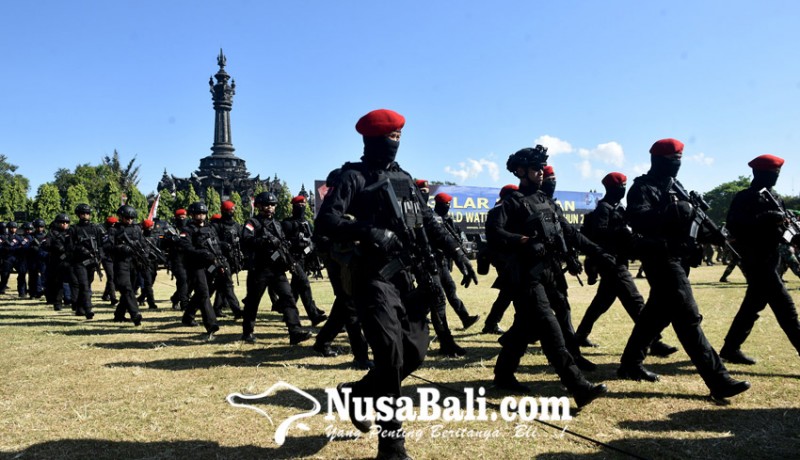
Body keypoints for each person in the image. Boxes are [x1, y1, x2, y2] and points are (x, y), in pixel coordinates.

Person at [316, 108, 478, 460]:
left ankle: (358, 394)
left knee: (415, 351)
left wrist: (458, 251)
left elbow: (429, 220)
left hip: (407, 276)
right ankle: (392, 445)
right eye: (391, 138)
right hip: (371, 277)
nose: (396, 144)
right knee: (389, 354)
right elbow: (325, 222)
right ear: (373, 139)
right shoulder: (352, 177)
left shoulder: (404, 178)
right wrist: (368, 230)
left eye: (399, 138)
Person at [617, 138, 750, 400]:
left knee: (654, 316)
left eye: (679, 160)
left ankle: (630, 363)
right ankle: (718, 379)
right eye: (671, 161)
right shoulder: (641, 188)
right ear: (657, 161)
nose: (676, 165)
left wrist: (715, 235)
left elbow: (691, 220)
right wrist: (674, 210)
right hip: (659, 258)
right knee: (688, 318)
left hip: (679, 257)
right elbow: (639, 219)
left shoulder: (677, 187)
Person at [488, 145, 608, 406]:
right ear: (521, 171)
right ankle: (578, 386)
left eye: (541, 169)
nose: (540, 173)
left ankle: (503, 375)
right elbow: (494, 232)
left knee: (524, 328)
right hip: (527, 277)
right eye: (535, 169)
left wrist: (598, 252)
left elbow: (570, 233)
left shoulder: (547, 201)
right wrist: (522, 241)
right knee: (550, 328)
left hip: (551, 273)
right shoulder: (512, 203)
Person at [575, 172, 678, 357]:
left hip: (619, 259)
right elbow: (599, 235)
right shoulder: (604, 209)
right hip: (611, 261)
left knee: (601, 302)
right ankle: (654, 341)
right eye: (620, 186)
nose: (623, 189)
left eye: (624, 185)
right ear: (611, 188)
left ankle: (580, 335)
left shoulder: (620, 207)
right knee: (635, 300)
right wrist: (620, 232)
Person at [720, 154, 800, 365]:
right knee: (787, 310)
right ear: (760, 173)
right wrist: (761, 219)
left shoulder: (776, 197)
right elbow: (733, 227)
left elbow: (783, 227)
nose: (776, 177)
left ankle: (730, 348)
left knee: (752, 307)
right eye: (773, 173)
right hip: (755, 259)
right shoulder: (745, 197)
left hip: (771, 257)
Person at [312, 168, 373, 369]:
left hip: (351, 260)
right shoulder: (331, 209)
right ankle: (360, 355)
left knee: (344, 305)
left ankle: (322, 342)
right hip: (339, 261)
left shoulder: (351, 205)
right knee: (349, 306)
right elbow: (321, 237)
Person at [241, 192, 312, 345]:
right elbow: (246, 240)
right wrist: (264, 240)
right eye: (267, 205)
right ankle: (247, 332)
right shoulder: (252, 222)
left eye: (272, 205)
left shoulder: (278, 224)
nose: (270, 208)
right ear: (259, 206)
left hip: (277, 269)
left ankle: (295, 331)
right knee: (253, 301)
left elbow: (283, 243)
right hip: (259, 269)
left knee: (288, 298)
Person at [431, 192, 481, 330]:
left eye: (449, 205)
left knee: (450, 290)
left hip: (443, 262)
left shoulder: (449, 221)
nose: (448, 207)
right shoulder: (431, 219)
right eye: (446, 204)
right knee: (436, 296)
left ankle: (465, 318)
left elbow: (457, 236)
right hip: (432, 262)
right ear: (439, 205)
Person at [281, 195, 328, 325]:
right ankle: (314, 315)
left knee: (296, 288)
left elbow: (312, 239)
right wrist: (296, 241)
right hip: (293, 259)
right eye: (299, 205)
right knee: (304, 284)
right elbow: (283, 242)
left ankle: (287, 312)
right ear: (294, 207)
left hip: (305, 258)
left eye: (303, 205)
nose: (302, 207)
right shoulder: (287, 223)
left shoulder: (307, 223)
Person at [177, 202, 221, 340]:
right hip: (195, 265)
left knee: (206, 290)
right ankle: (211, 324)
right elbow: (185, 247)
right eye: (198, 214)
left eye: (203, 213)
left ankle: (188, 316)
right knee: (203, 293)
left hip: (210, 264)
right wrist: (201, 253)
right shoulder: (187, 230)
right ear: (192, 215)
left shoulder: (210, 228)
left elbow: (216, 244)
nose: (201, 216)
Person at [481, 184, 518, 335]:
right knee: (515, 291)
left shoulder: (501, 208)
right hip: (504, 257)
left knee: (508, 292)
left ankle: (491, 323)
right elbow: (497, 233)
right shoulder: (501, 209)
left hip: (505, 256)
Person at [67, 203, 105, 319]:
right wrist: (80, 250)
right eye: (83, 214)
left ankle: (80, 308)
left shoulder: (95, 228)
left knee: (87, 284)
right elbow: (70, 247)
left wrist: (99, 257)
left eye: (87, 213)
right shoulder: (74, 229)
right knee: (84, 285)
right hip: (79, 262)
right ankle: (88, 309)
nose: (85, 216)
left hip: (91, 261)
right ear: (78, 215)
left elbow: (101, 245)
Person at [109, 205, 144, 326]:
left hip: (134, 262)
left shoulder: (137, 229)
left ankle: (119, 315)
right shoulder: (114, 230)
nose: (129, 220)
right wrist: (121, 248)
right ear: (121, 217)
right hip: (121, 262)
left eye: (131, 218)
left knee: (131, 290)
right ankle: (135, 314)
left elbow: (142, 243)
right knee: (126, 288)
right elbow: (108, 247)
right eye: (127, 218)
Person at [209, 200, 244, 319]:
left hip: (233, 258)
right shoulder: (216, 225)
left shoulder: (236, 225)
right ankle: (237, 310)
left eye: (233, 210)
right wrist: (223, 244)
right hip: (221, 258)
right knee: (228, 284)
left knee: (221, 284)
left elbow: (242, 240)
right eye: (230, 210)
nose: (232, 212)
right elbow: (212, 241)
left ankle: (215, 308)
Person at [43, 214, 72, 311]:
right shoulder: (52, 233)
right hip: (56, 261)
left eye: (66, 222)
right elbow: (45, 245)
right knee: (57, 283)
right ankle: (57, 302)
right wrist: (55, 247)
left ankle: (71, 300)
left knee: (73, 281)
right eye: (62, 222)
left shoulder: (71, 232)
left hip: (70, 260)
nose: (64, 224)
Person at [168, 208, 190, 311]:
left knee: (188, 282)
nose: (182, 219)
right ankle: (184, 304)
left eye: (184, 217)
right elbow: (163, 244)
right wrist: (171, 240)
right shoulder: (171, 229)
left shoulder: (190, 227)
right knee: (183, 280)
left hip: (189, 257)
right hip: (176, 258)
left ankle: (175, 298)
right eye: (180, 217)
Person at [100, 216, 119, 305]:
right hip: (106, 257)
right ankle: (113, 298)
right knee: (111, 277)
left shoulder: (116, 232)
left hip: (114, 257)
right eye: (113, 224)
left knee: (113, 277)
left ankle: (105, 295)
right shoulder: (103, 233)